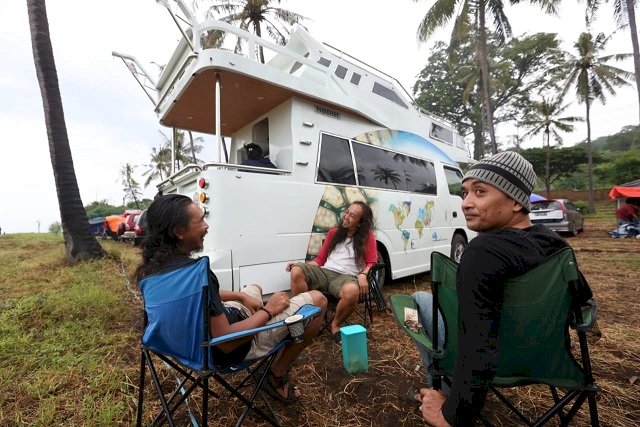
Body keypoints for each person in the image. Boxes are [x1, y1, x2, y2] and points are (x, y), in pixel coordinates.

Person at [412, 152, 594, 426]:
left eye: (480, 192)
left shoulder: (481, 252)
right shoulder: (556, 245)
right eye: (464, 193)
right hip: (545, 358)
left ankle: (442, 393)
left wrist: (453, 416)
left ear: (516, 201)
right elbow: (583, 299)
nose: (465, 203)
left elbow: (477, 343)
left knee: (417, 300)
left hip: (495, 363)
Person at [135, 194, 327, 404]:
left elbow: (200, 296)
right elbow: (225, 342)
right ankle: (276, 374)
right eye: (199, 221)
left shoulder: (151, 274)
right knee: (318, 300)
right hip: (233, 347)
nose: (206, 226)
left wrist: (240, 295)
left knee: (254, 288)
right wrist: (269, 310)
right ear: (179, 232)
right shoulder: (197, 272)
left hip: (190, 350)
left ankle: (252, 307)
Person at [287, 201, 377, 343]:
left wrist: (363, 274)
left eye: (352, 216)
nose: (346, 217)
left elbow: (372, 261)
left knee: (352, 291)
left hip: (346, 278)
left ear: (360, 223)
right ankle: (305, 319)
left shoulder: (367, 237)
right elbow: (320, 260)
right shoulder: (334, 233)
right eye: (347, 212)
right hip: (325, 272)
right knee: (297, 271)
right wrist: (300, 265)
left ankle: (335, 326)